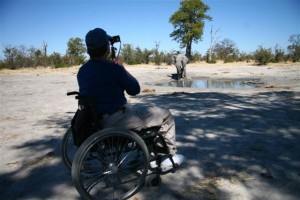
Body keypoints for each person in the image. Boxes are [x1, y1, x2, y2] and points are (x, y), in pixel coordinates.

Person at [77, 28, 184, 171]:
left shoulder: (82, 71)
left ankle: (149, 154)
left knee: (143, 111)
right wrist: (122, 69)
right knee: (165, 114)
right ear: (107, 48)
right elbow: (135, 89)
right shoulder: (113, 69)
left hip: (95, 121)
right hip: (118, 119)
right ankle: (166, 157)